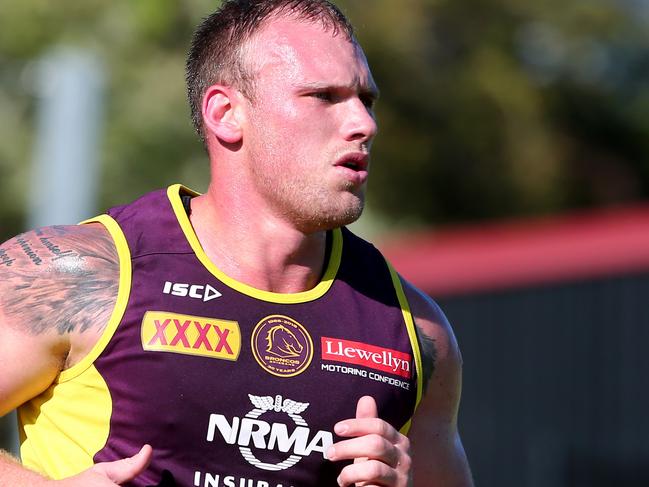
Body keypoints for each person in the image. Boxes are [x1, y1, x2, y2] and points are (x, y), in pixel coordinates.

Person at [0, 1, 473, 486]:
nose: (363, 124)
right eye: (323, 96)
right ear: (226, 114)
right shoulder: (75, 274)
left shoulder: (415, 330)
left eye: (366, 100)